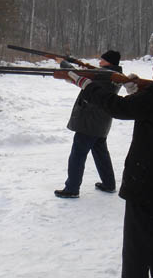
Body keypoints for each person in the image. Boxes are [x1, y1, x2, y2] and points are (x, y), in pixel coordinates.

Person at [63, 43, 153, 277]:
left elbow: (117, 107)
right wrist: (136, 89)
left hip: (146, 185)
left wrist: (85, 84)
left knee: (136, 255)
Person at [54, 50, 123, 199]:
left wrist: (62, 63)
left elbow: (78, 76)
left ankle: (72, 188)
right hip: (100, 120)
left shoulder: (105, 74)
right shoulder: (113, 75)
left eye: (102, 60)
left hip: (90, 120)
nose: (99, 62)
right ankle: (109, 184)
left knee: (77, 155)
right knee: (100, 152)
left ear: (108, 62)